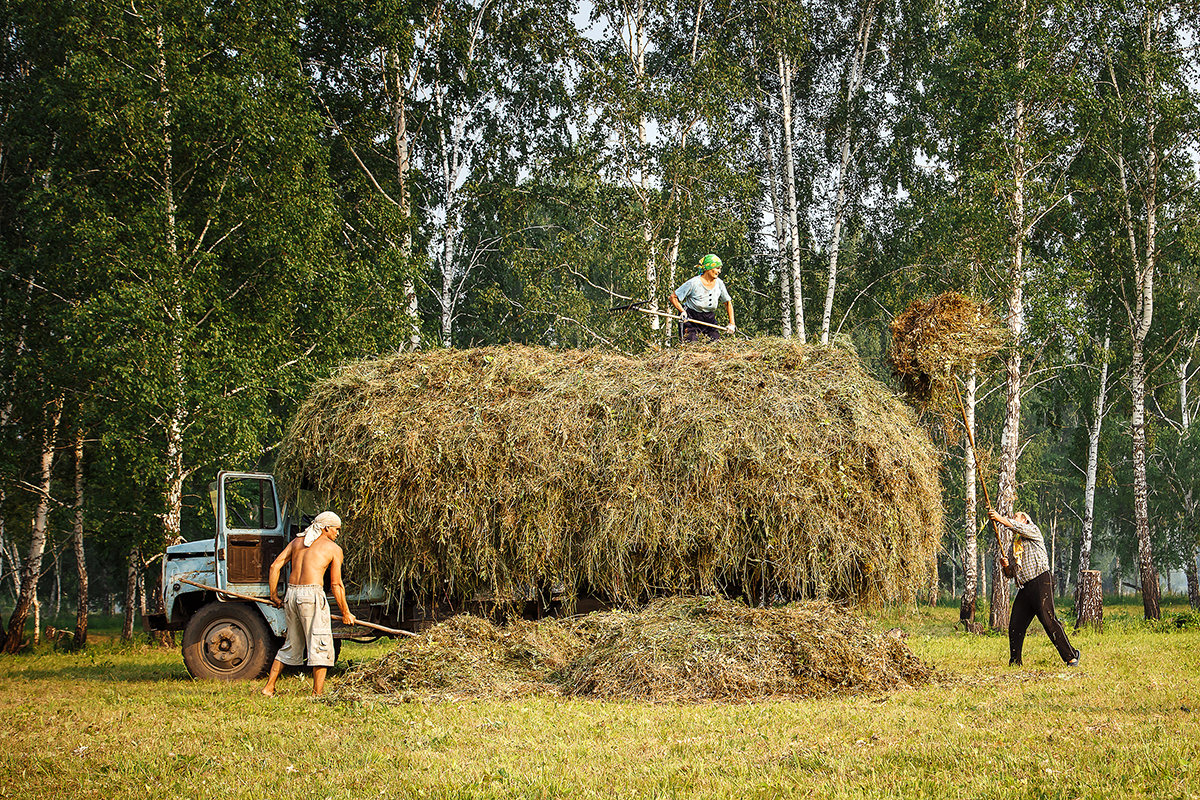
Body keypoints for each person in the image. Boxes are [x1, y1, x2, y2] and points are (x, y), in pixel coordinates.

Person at [261, 511, 357, 696]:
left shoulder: (297, 542)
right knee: (321, 643)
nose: (338, 533)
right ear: (326, 528)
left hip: (292, 594)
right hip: (311, 595)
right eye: (337, 529)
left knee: (291, 643)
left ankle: (269, 687)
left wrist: (274, 595)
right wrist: (346, 612)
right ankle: (317, 694)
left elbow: (275, 566)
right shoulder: (333, 548)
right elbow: (336, 584)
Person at [988, 508, 1080, 668]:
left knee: (1048, 619)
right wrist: (1006, 566)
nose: (1013, 519)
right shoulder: (1015, 546)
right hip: (1025, 588)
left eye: (1016, 517)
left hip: (1040, 581)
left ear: (1025, 519)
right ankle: (1015, 662)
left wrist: (998, 518)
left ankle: (1071, 656)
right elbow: (1011, 574)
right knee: (1016, 625)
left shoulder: (1032, 530)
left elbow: (1017, 527)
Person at [670, 253, 736, 342]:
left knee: (715, 343)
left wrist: (732, 323)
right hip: (691, 317)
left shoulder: (719, 283)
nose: (719, 271)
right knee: (691, 343)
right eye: (717, 268)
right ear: (708, 268)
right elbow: (673, 297)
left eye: (720, 268)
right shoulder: (693, 283)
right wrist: (682, 311)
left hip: (709, 318)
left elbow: (728, 303)